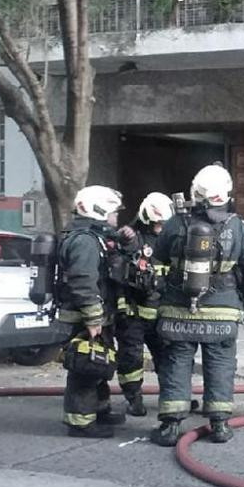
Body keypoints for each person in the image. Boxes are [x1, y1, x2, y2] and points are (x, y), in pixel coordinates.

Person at [149, 165, 244, 446]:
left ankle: (171, 426)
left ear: (195, 193)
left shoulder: (175, 224)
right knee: (221, 365)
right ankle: (220, 425)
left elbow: (157, 263)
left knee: (176, 364)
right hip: (223, 311)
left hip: (178, 309)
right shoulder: (239, 227)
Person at [55, 185, 125, 438]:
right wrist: (94, 317)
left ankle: (100, 411)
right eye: (113, 212)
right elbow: (83, 281)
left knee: (98, 364)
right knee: (85, 368)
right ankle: (81, 422)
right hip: (82, 318)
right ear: (99, 210)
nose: (116, 217)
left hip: (93, 315)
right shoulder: (85, 241)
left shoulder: (90, 237)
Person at [113, 192, 174, 417]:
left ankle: (172, 397)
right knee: (131, 358)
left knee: (168, 358)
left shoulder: (170, 241)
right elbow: (118, 275)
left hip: (162, 314)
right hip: (134, 314)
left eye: (164, 223)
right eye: (158, 223)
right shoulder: (132, 239)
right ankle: (133, 398)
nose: (161, 227)